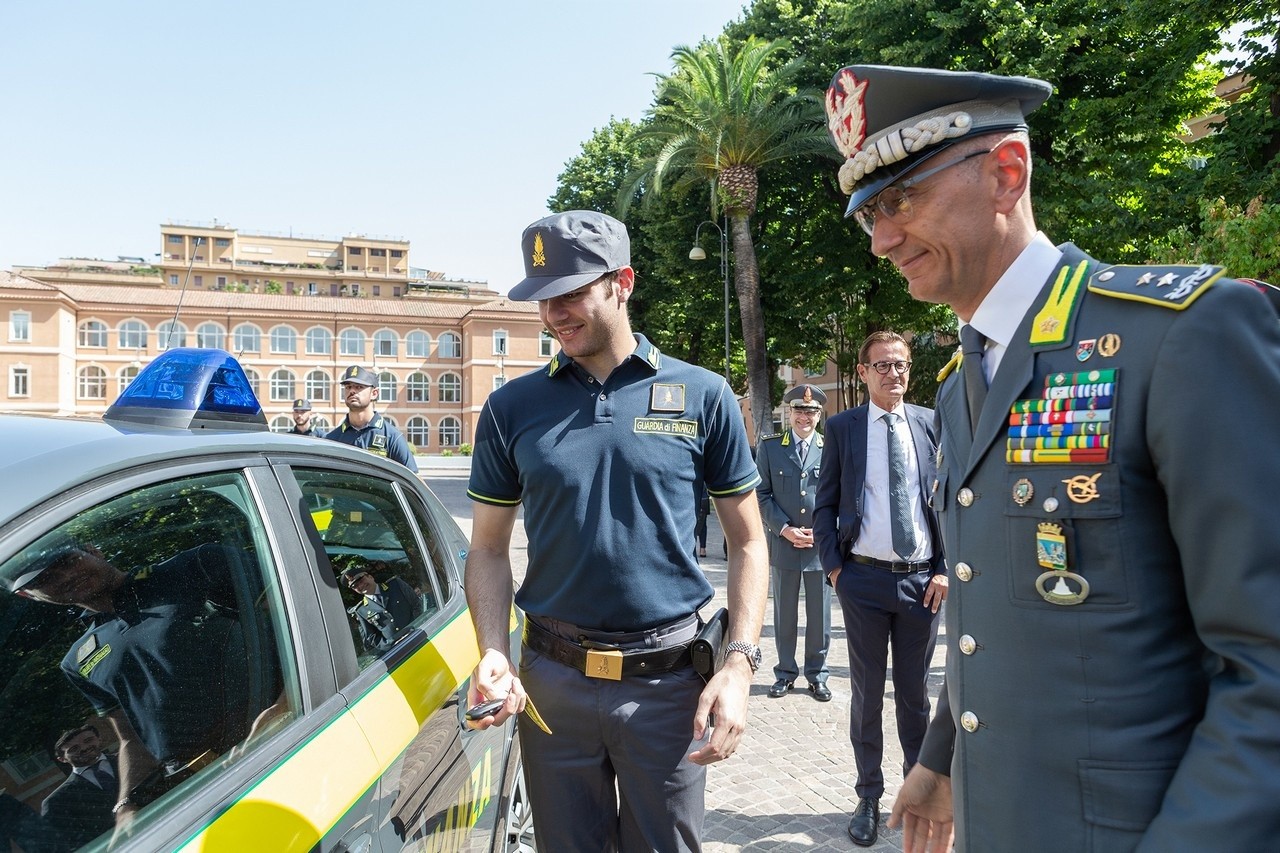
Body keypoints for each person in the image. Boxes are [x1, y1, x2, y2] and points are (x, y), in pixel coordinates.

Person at [824, 63, 1280, 852]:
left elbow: (1267, 668)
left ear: (1007, 173)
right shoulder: (964, 381)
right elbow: (986, 605)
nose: (882, 240)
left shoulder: (1178, 335)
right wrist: (940, 756)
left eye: (901, 199)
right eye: (869, 214)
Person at [463, 210, 769, 852]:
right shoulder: (510, 408)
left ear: (622, 282)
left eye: (571, 292)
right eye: (543, 299)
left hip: (669, 687)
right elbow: (488, 549)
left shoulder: (703, 394)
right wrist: (493, 648)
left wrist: (738, 666)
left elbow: (748, 542)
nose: (554, 314)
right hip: (553, 689)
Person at [12, 542, 254, 827]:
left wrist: (285, 708)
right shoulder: (78, 660)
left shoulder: (197, 565)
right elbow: (131, 739)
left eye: (67, 561)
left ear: (94, 550)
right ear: (29, 595)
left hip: (281, 736)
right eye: (46, 580)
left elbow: (306, 611)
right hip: (200, 790)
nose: (65, 577)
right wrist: (126, 805)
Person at [813, 331, 945, 847]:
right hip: (863, 579)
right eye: (884, 366)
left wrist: (943, 567)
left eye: (902, 365)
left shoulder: (931, 423)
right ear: (863, 372)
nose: (895, 374)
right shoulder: (844, 428)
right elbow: (825, 504)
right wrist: (834, 568)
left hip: (921, 584)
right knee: (867, 695)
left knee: (915, 697)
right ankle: (868, 794)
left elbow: (952, 498)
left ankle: (920, 790)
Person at [755, 383, 832, 702]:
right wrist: (784, 529)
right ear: (790, 412)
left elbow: (840, 497)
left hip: (819, 546)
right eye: (799, 410)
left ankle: (818, 674)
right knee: (784, 613)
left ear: (819, 415)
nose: (805, 417)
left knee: (820, 615)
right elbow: (760, 494)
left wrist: (824, 530)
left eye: (812, 411)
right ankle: (785, 673)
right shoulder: (771, 447)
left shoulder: (831, 448)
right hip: (784, 545)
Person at [325, 366, 419, 472]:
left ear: (374, 393)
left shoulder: (391, 437)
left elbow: (413, 478)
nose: (352, 391)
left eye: (359, 387)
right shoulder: (332, 439)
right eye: (348, 387)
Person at [41, 724, 118, 849]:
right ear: (62, 759)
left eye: (88, 740)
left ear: (99, 739)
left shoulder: (133, 759)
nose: (84, 748)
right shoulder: (57, 802)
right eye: (74, 749)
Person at [341, 565, 423, 653]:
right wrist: (390, 645)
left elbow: (416, 604)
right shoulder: (361, 610)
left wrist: (416, 626)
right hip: (398, 651)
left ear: (370, 577)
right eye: (355, 586)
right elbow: (372, 637)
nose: (360, 586)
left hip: (420, 634)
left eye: (361, 580)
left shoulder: (395, 585)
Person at [694, 485, 711, 558]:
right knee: (703, 524)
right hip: (704, 499)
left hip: (695, 498)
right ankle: (702, 549)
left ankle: (692, 548)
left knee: (692, 524)